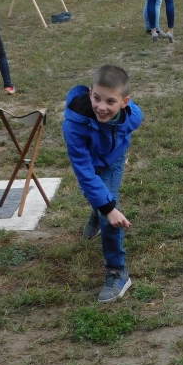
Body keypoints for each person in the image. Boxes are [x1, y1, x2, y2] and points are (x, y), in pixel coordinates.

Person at [63, 65, 143, 302]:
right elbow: (84, 172)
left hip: (113, 159)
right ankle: (98, 211)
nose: (101, 106)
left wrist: (109, 209)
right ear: (90, 93)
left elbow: (129, 126)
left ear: (125, 102)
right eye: (97, 98)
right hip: (89, 162)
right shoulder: (74, 125)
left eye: (110, 101)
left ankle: (118, 271)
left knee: (110, 208)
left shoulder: (133, 116)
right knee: (96, 195)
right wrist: (105, 207)